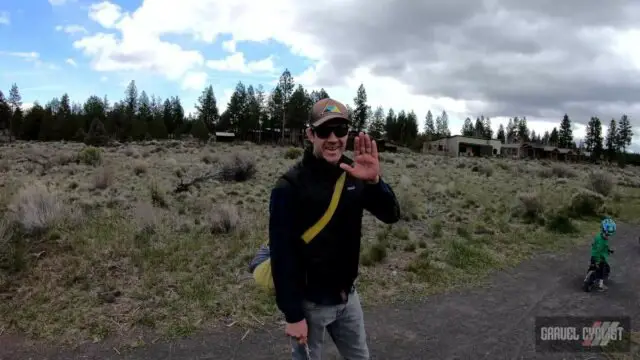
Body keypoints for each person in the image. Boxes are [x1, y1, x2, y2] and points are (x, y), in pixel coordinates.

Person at [268, 98, 401, 360]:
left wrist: (375, 182)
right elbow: (282, 257)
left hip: (348, 298)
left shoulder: (355, 172)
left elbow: (391, 215)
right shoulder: (289, 187)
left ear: (348, 134)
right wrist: (293, 316)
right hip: (310, 305)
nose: (333, 138)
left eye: (340, 130)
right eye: (323, 131)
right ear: (310, 134)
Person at [589, 217, 616, 291]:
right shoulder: (603, 241)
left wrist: (609, 250)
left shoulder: (598, 236)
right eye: (607, 234)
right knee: (602, 271)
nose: (607, 236)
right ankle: (601, 285)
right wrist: (598, 260)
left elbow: (594, 244)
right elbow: (599, 249)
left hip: (593, 256)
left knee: (592, 267)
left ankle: (588, 277)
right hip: (600, 259)